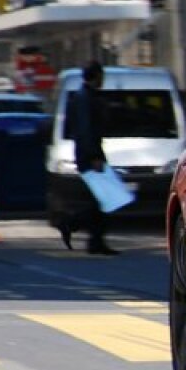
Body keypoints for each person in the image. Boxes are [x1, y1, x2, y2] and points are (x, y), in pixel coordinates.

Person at [57, 60, 120, 256]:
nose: (104, 80)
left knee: (101, 200)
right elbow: (85, 130)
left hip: (91, 152)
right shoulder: (84, 98)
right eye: (102, 76)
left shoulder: (87, 96)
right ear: (96, 76)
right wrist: (94, 156)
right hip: (89, 154)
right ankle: (71, 224)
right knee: (103, 200)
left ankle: (94, 240)